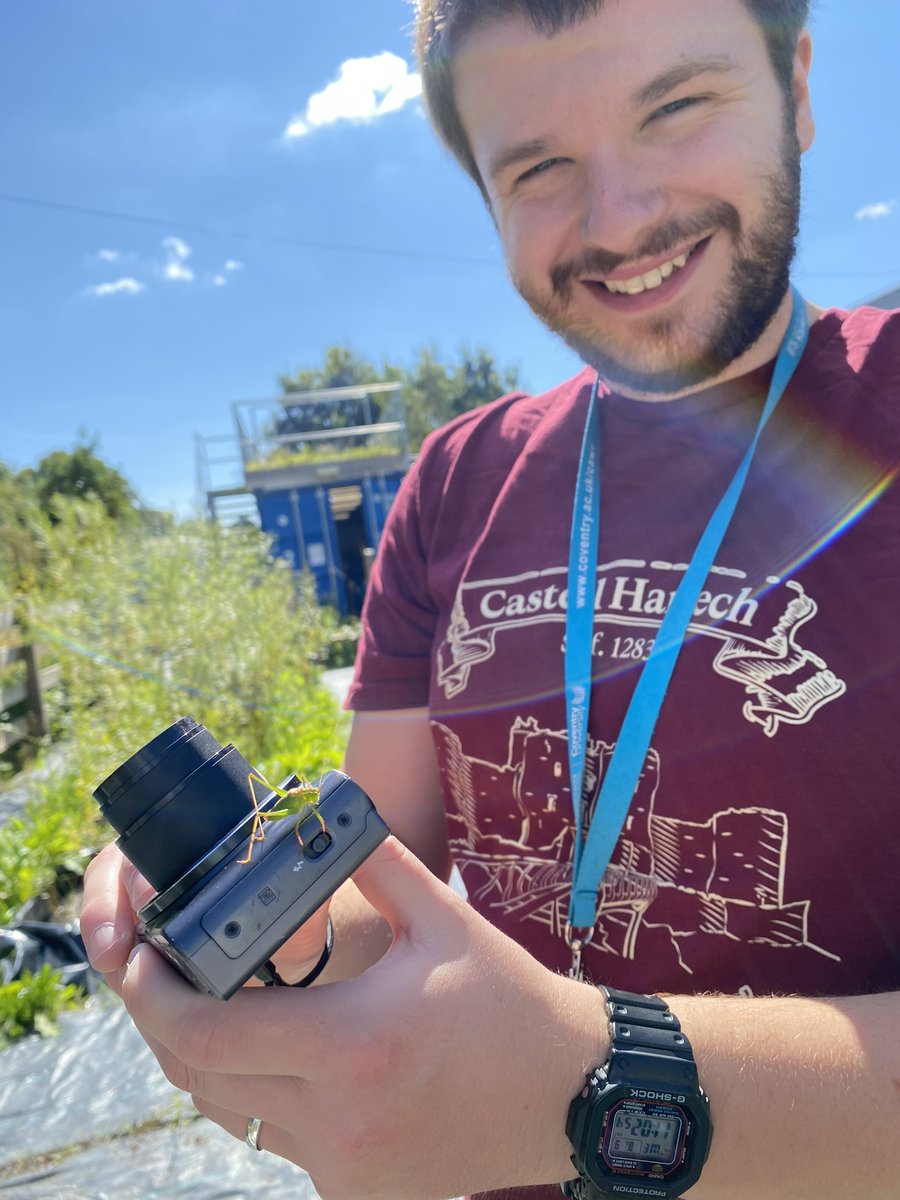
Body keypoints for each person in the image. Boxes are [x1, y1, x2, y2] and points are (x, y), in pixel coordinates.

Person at [81, 1, 900, 1198]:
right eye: (538, 166)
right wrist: (272, 937)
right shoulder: (457, 483)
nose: (617, 219)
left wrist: (591, 1082)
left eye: (675, 107)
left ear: (800, 86)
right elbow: (382, 889)